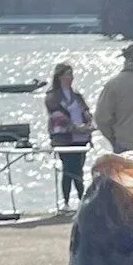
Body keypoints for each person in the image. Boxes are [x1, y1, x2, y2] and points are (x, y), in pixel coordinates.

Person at [44, 61, 93, 209]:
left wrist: (88, 124)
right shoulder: (52, 96)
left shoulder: (77, 95)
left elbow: (85, 111)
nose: (71, 77)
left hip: (81, 139)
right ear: (60, 77)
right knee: (68, 169)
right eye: (68, 74)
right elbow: (57, 116)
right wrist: (74, 127)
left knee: (79, 169)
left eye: (72, 74)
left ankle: (82, 201)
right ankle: (65, 202)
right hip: (63, 139)